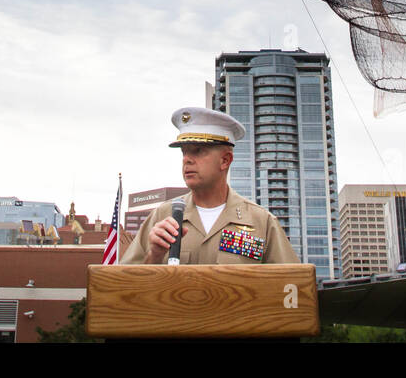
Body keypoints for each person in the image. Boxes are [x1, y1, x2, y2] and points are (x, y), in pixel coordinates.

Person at [121, 106, 300, 266]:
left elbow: (291, 287)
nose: (186, 159)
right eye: (184, 152)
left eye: (198, 151)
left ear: (225, 160)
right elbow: (123, 287)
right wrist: (154, 255)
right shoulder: (162, 216)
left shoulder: (261, 222)